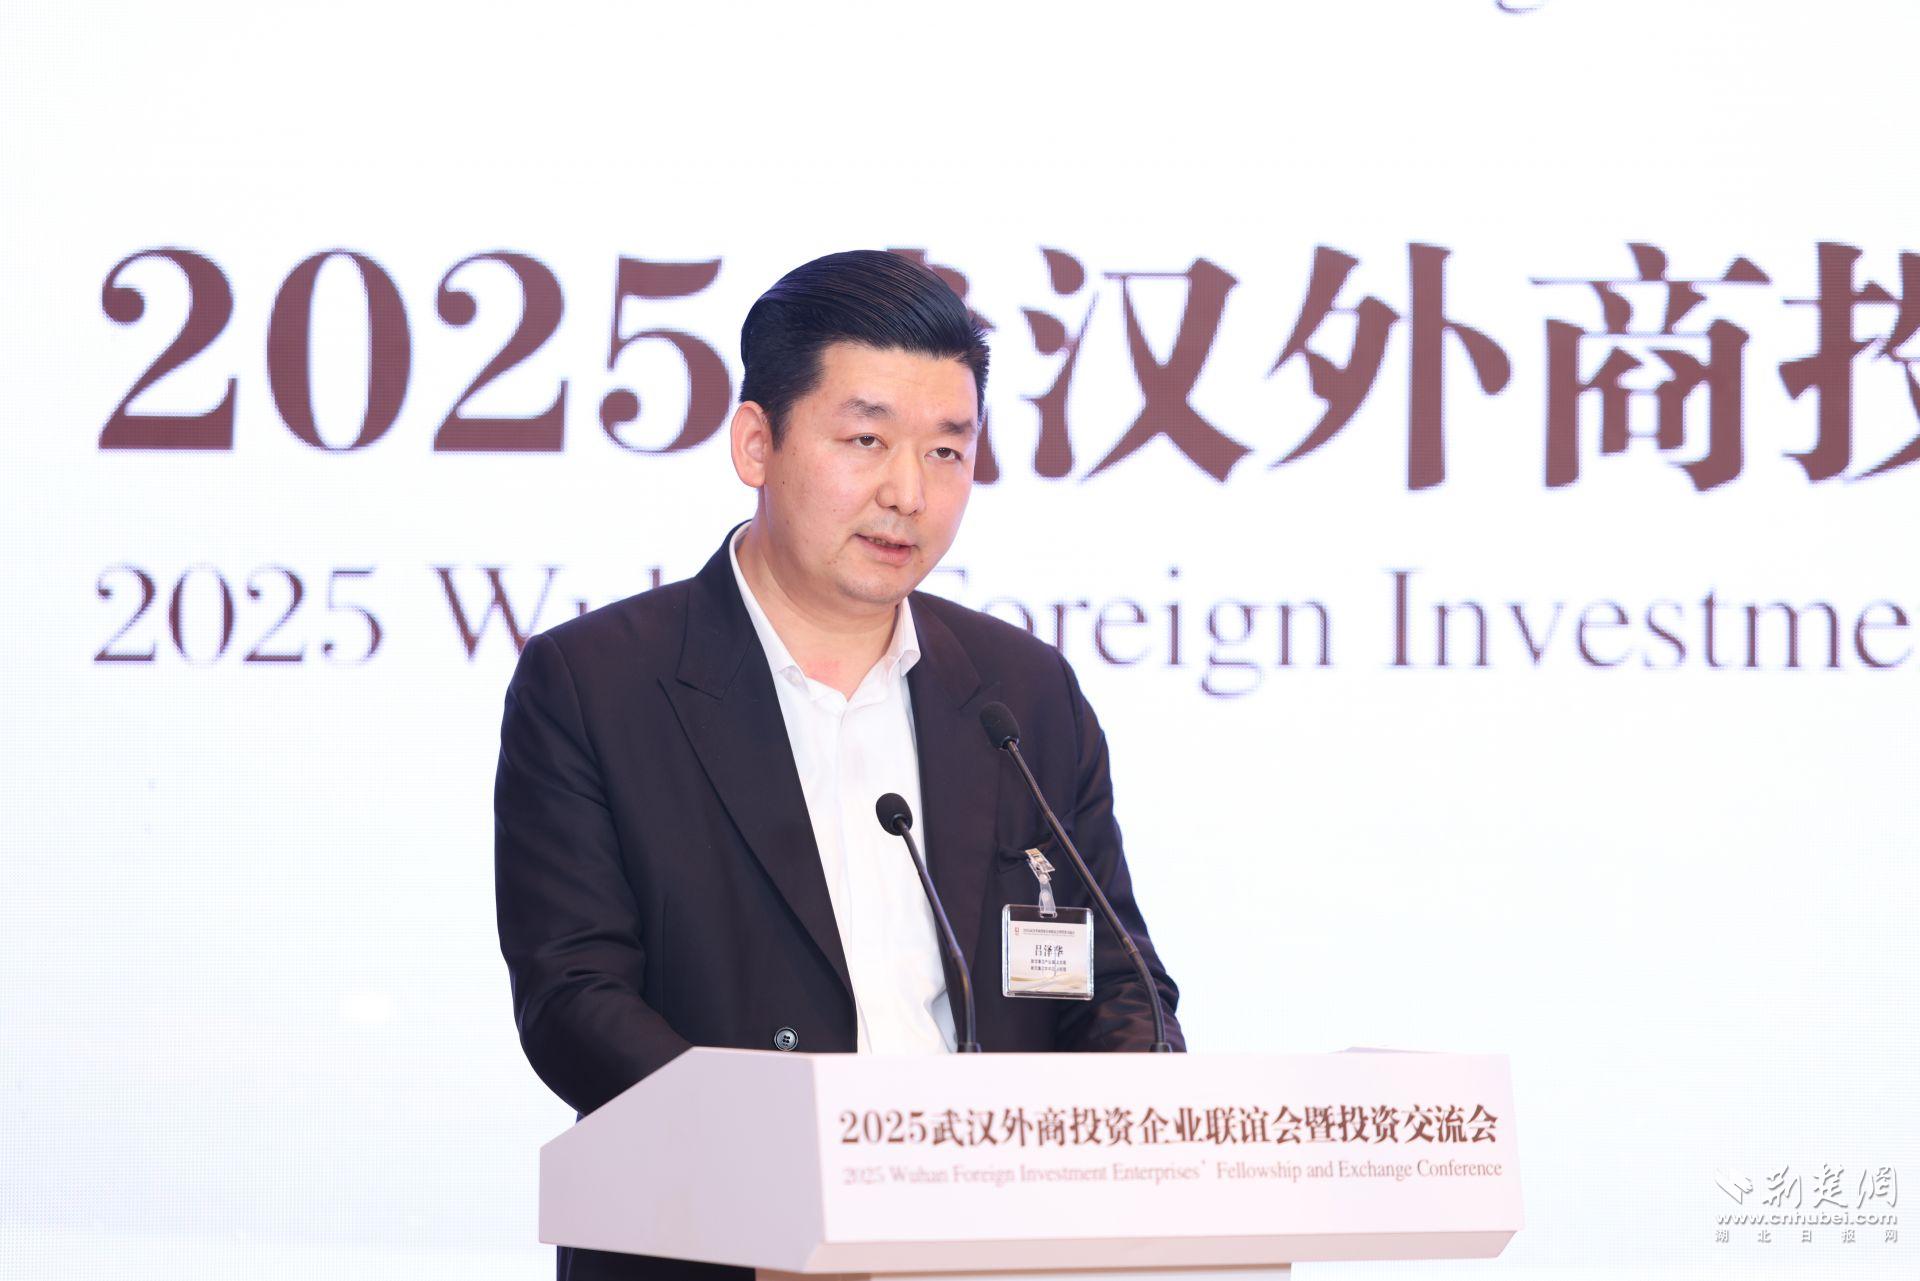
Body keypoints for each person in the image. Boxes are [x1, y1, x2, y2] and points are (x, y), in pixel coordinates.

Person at [495, 250, 1182, 1281]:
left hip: (991, 1255)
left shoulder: (1020, 694)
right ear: (756, 442)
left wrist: (1134, 1133)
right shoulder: (599, 684)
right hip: (722, 1247)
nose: (908, 491)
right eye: (866, 440)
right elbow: (575, 1000)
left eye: (947, 451)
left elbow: (1117, 982)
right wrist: (790, 1174)